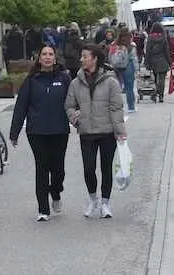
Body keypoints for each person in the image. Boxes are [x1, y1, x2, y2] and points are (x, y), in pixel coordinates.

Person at [10, 46, 73, 221]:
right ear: (39, 59)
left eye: (50, 54)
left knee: (58, 169)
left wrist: (80, 120)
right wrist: (14, 132)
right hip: (37, 131)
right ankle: (43, 209)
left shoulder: (64, 79)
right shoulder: (31, 80)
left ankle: (56, 191)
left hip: (59, 129)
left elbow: (74, 101)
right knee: (42, 167)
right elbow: (21, 106)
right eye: (44, 54)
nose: (47, 57)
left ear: (55, 58)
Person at [65, 45, 127, 219]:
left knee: (106, 168)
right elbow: (69, 105)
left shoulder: (110, 81)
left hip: (107, 132)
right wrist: (76, 118)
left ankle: (105, 203)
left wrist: (120, 131)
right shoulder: (75, 83)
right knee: (88, 169)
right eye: (82, 56)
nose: (82, 59)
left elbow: (116, 107)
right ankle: (93, 199)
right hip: (87, 133)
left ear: (94, 59)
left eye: (85, 56)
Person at [108, 30, 139, 113]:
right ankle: (131, 107)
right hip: (128, 67)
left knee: (116, 88)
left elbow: (110, 56)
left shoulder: (114, 45)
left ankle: (117, 106)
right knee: (129, 88)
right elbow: (134, 58)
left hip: (116, 68)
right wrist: (136, 70)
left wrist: (112, 64)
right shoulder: (131, 46)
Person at [143, 23, 172, 103]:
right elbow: (167, 51)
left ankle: (155, 93)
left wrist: (146, 62)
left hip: (153, 61)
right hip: (162, 60)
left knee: (155, 79)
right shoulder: (163, 38)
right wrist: (170, 61)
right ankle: (161, 96)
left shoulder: (150, 38)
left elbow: (148, 51)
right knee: (162, 80)